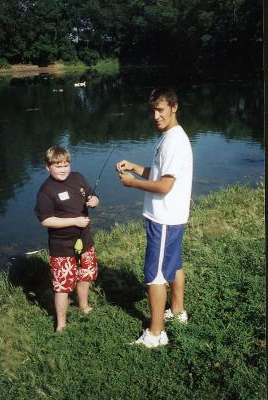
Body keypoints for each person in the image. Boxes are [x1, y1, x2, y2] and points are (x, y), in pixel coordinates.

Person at [116, 87, 193, 348]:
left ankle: (156, 333)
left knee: (155, 274)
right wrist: (135, 168)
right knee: (174, 263)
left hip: (164, 218)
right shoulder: (170, 136)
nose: (156, 116)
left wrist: (132, 183)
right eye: (153, 111)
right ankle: (178, 310)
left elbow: (164, 186)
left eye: (160, 110)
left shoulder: (174, 141)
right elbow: (160, 173)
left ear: (174, 107)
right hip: (170, 217)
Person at [35, 146, 99, 332]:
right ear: (48, 167)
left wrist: (94, 200)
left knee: (85, 275)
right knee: (62, 286)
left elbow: (92, 195)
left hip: (85, 240)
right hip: (62, 247)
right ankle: (61, 324)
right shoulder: (45, 191)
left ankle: (84, 306)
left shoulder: (78, 177)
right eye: (57, 165)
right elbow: (46, 220)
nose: (63, 169)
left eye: (66, 164)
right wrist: (75, 221)